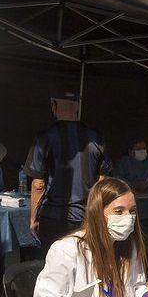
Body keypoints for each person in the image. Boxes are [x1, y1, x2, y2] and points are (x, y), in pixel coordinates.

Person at [23, 91, 111, 255]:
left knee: (56, 268)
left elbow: (38, 184)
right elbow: (102, 180)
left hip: (54, 218)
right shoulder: (96, 137)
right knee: (87, 264)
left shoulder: (45, 137)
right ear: (78, 106)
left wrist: (33, 218)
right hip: (87, 217)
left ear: (53, 105)